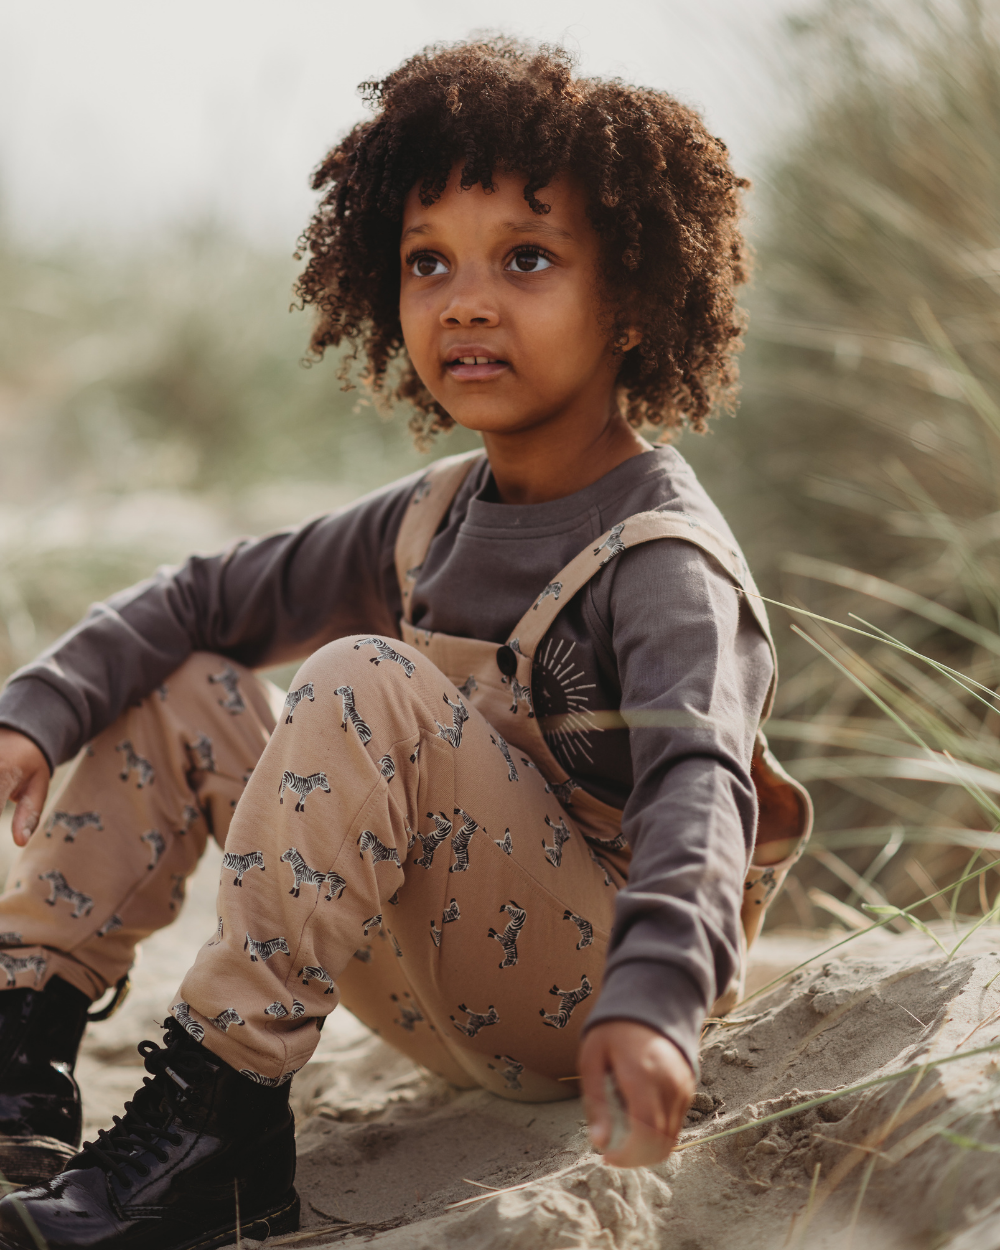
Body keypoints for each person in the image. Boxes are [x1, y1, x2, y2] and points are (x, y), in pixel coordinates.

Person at [0, 37, 811, 1250]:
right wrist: (38, 708)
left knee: (363, 679)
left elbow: (701, 797)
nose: (466, 299)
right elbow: (204, 595)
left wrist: (653, 1003)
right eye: (428, 262)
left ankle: (222, 1125)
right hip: (429, 977)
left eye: (526, 259)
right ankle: (22, 1044)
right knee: (184, 678)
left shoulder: (662, 562)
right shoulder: (433, 513)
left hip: (583, 1003)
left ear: (634, 300)